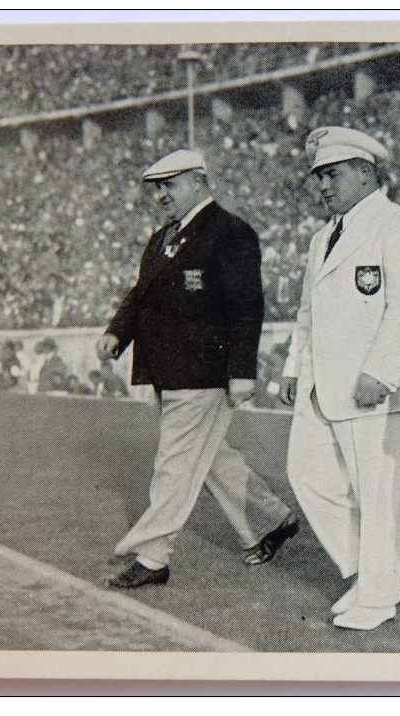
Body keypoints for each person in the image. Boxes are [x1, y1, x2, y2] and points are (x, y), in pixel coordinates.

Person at [98, 148, 297, 589]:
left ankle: (152, 557)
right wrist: (118, 331)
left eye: (169, 185)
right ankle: (272, 521)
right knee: (209, 460)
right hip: (168, 372)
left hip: (203, 372)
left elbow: (247, 306)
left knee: (174, 462)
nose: (161, 196)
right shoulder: (162, 238)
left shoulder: (231, 234)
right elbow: (141, 293)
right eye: (157, 188)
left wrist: (242, 369)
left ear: (198, 182)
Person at [280, 126, 400, 630]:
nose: (323, 186)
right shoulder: (322, 237)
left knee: (382, 493)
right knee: (307, 474)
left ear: (367, 172)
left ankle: (379, 594)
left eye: (333, 174)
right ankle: (368, 572)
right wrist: (292, 367)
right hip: (326, 385)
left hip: (378, 391)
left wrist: (381, 373)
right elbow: (307, 312)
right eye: (318, 177)